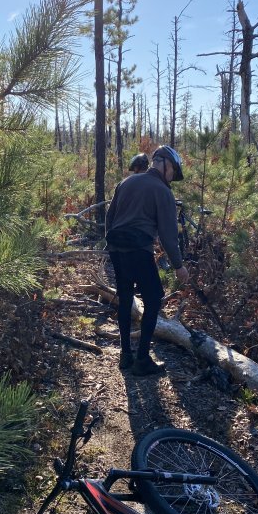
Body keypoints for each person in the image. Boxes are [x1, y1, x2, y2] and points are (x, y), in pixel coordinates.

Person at [105, 145, 189, 376]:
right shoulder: (162, 191)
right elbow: (169, 236)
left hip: (117, 248)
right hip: (139, 250)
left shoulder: (125, 183)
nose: (172, 177)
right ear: (165, 164)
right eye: (173, 171)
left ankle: (125, 356)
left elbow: (109, 219)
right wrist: (179, 266)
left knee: (125, 298)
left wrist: (112, 246)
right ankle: (142, 359)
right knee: (153, 299)